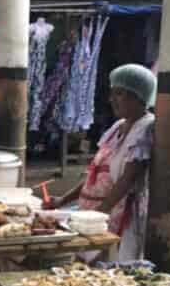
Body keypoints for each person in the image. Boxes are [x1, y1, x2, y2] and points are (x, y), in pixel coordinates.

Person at [51, 63, 156, 262]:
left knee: (111, 271)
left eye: (119, 93)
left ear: (138, 96)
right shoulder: (118, 126)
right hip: (95, 214)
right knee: (84, 266)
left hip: (120, 215)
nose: (111, 99)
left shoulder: (145, 128)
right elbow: (95, 175)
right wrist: (62, 201)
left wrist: (97, 216)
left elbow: (128, 179)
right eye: (112, 93)